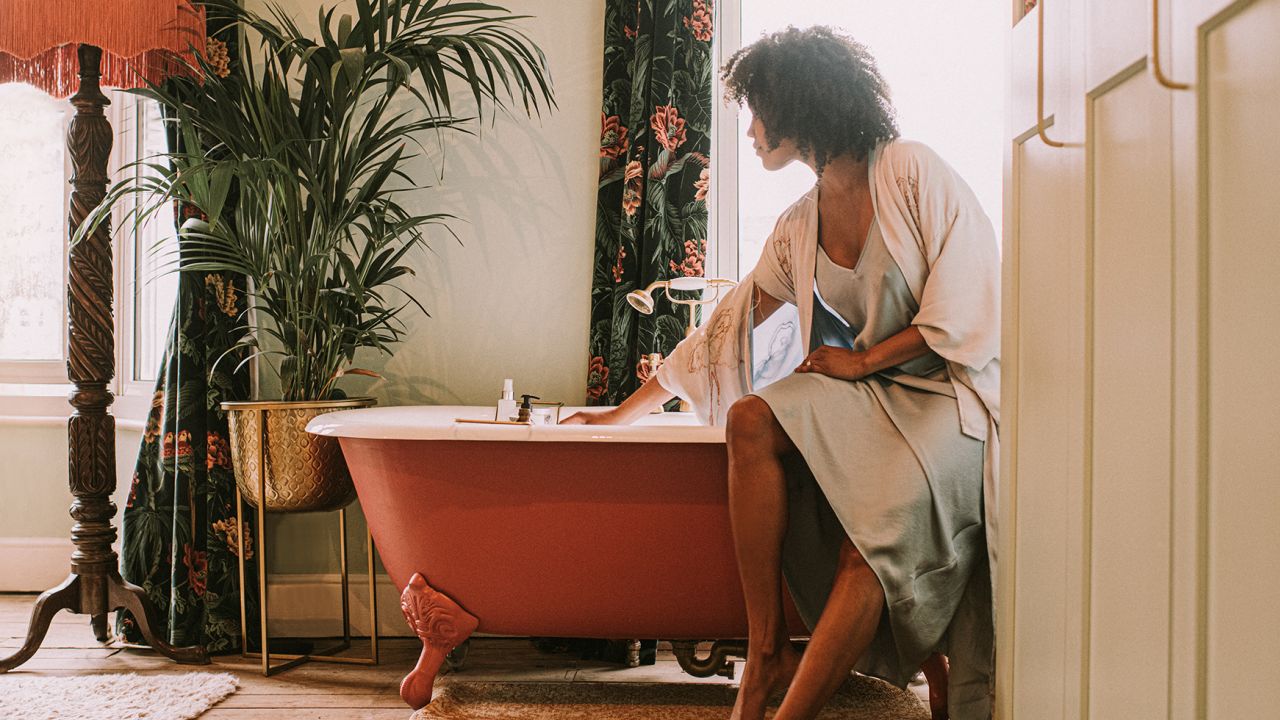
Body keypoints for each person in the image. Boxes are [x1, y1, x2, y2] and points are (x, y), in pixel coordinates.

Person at [564, 25, 999, 720]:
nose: (751, 131)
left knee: (870, 550)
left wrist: (862, 361)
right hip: (870, 396)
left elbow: (967, 312)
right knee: (752, 418)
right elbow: (726, 328)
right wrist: (623, 413)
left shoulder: (910, 170)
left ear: (802, 105)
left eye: (757, 110)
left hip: (948, 397)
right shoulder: (801, 222)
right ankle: (765, 649)